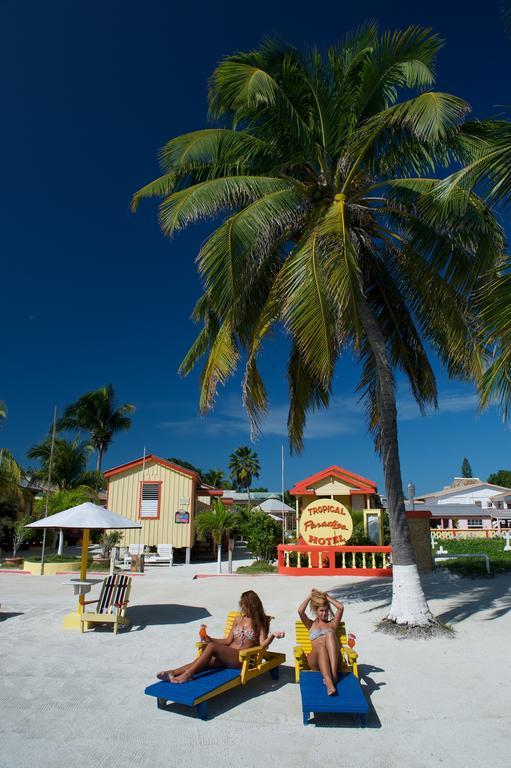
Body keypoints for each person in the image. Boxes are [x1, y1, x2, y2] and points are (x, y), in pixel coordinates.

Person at [157, 590, 285, 683]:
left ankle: (188, 675)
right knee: (202, 662)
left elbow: (262, 645)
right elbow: (228, 640)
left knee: (212, 648)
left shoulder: (259, 622)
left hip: (242, 658)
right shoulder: (237, 619)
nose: (242, 607)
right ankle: (173, 672)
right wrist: (209, 638)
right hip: (228, 655)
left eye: (244, 604)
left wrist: (273, 635)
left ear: (252, 605)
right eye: (242, 604)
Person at [298, 588, 344, 696]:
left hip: (333, 661)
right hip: (315, 661)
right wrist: (310, 596)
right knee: (321, 647)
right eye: (321, 610)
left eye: (326, 610)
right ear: (316, 611)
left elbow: (340, 607)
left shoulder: (332, 624)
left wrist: (326, 597)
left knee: (330, 634)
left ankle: (332, 677)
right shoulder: (310, 624)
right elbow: (300, 611)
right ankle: (329, 680)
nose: (324, 613)